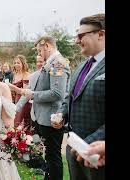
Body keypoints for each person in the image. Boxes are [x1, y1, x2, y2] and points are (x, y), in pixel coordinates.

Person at [53, 13, 105, 180]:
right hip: (74, 148)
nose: (76, 41)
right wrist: (62, 114)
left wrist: (90, 143)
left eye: (81, 36)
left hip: (97, 152)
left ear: (101, 34)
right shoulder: (82, 65)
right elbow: (70, 97)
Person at [22, 36, 71, 180]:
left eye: (40, 50)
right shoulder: (51, 62)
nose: (39, 54)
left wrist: (33, 94)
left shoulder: (58, 63)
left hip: (52, 118)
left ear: (47, 46)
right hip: (43, 117)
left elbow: (57, 93)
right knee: (48, 156)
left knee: (53, 157)